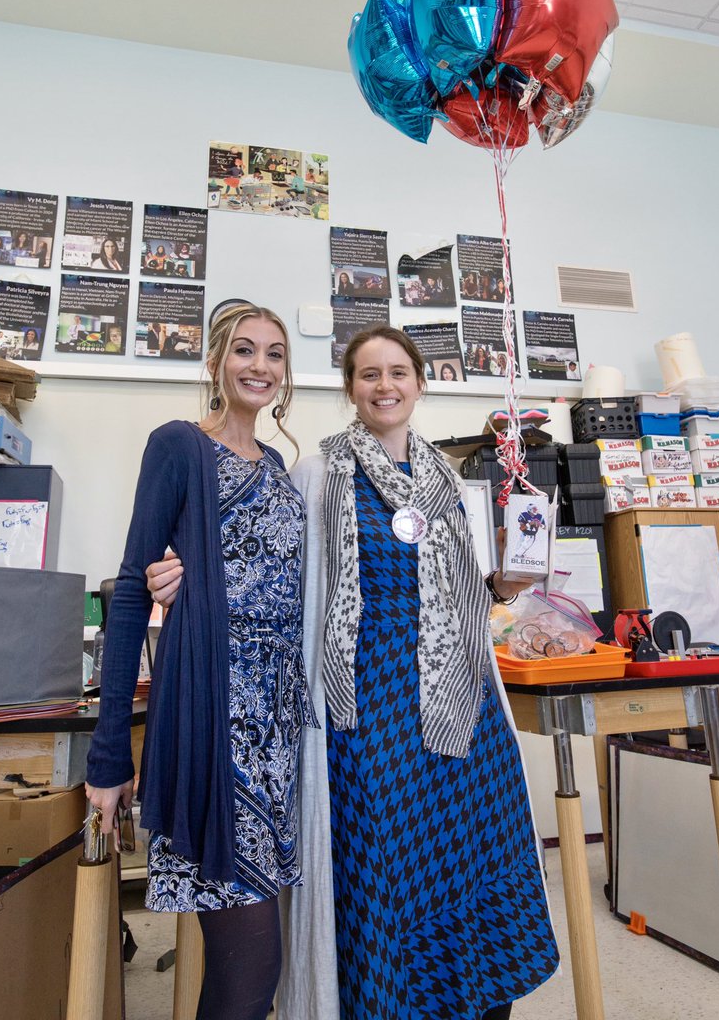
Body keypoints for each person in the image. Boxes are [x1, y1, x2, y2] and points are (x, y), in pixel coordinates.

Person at [149, 324, 558, 1019]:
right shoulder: (318, 472)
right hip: (367, 713)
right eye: (369, 375)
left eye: (398, 372)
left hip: (463, 708)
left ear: (420, 383)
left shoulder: (452, 482)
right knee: (389, 875)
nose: (385, 386)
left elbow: (463, 591)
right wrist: (185, 571)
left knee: (475, 863)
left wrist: (505, 585)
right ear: (350, 390)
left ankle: (477, 1003)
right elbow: (266, 559)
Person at [85, 302, 315, 1020]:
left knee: (253, 952)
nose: (259, 366)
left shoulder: (279, 465)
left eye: (274, 354)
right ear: (214, 362)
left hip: (279, 730)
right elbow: (130, 591)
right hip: (218, 724)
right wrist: (107, 757)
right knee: (254, 964)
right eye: (244, 351)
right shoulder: (180, 444)